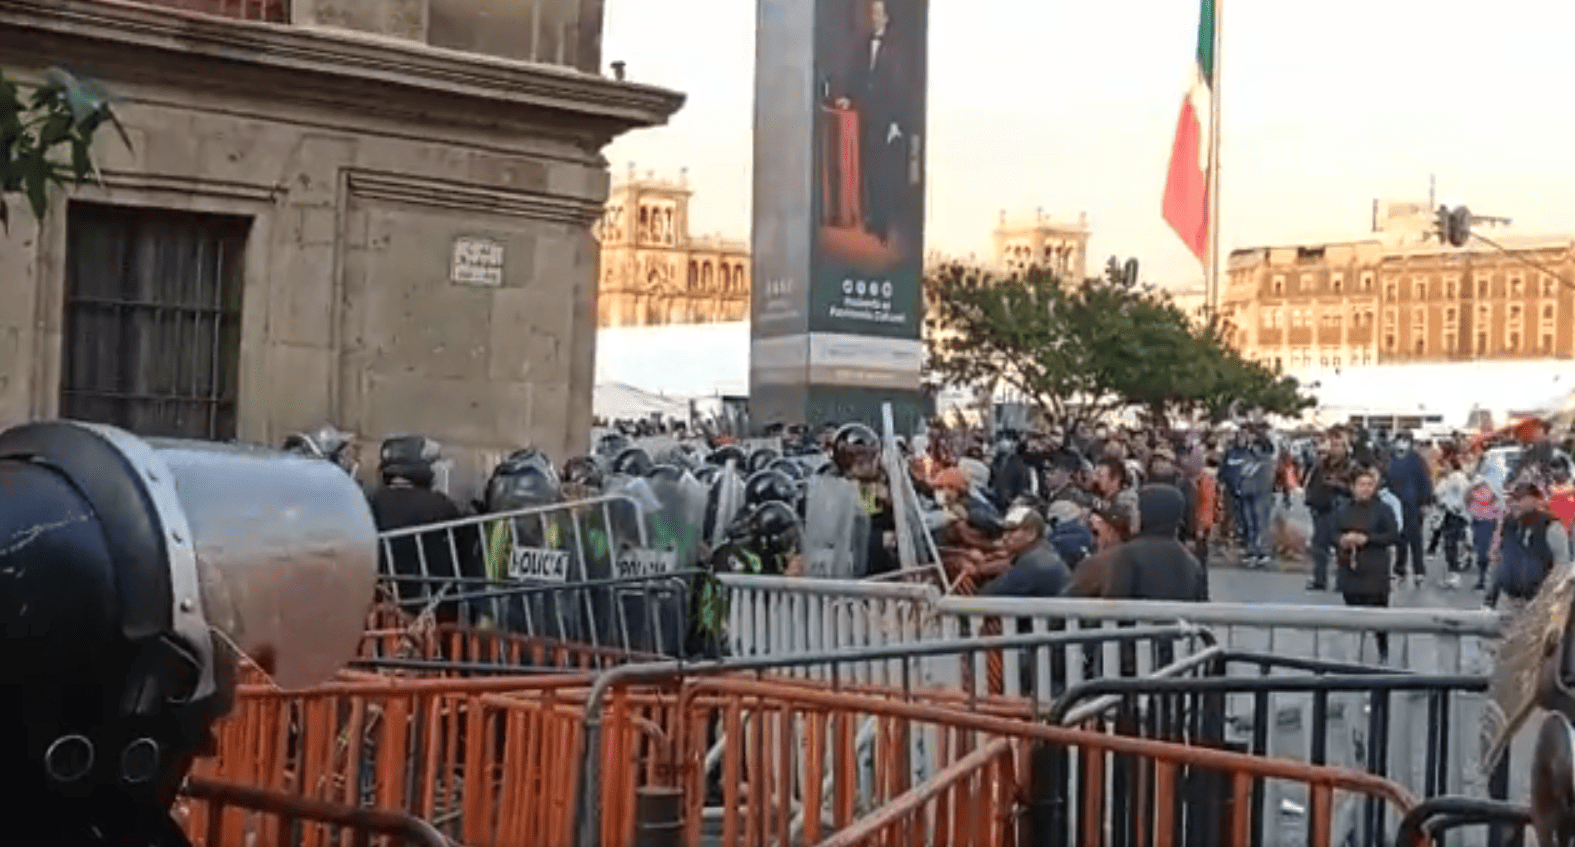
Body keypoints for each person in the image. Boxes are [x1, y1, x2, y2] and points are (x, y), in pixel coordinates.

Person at [834, 0, 909, 244]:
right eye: (873, 13)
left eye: (879, 14)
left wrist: (896, 122)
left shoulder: (897, 49)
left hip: (886, 120)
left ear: (886, 18)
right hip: (865, 116)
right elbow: (854, 75)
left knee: (882, 173)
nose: (875, 18)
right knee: (865, 168)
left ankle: (881, 224)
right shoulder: (863, 45)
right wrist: (846, 97)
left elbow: (900, 87)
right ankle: (868, 218)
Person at [1334, 467, 1401, 662]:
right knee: (1354, 616)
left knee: (1378, 617)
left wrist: (1368, 539)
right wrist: (1343, 539)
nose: (1366, 489)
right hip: (1350, 570)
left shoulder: (1383, 509)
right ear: (1353, 487)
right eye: (1361, 485)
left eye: (1370, 485)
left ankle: (1383, 653)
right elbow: (1331, 533)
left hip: (1375, 572)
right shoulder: (1343, 509)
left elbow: (1393, 535)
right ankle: (1356, 654)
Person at [1101, 484, 1208, 602]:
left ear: (1147, 513)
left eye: (1136, 509)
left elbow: (1115, 604)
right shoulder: (1191, 561)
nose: (1132, 515)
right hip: (1179, 619)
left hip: (1141, 618)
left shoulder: (1128, 555)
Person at [1485, 482, 1572, 616]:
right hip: (1509, 600)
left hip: (1538, 602)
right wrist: (1490, 599)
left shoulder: (1551, 525)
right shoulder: (1510, 523)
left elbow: (1561, 566)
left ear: (1535, 501)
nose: (1515, 504)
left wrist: (1546, 598)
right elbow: (1499, 559)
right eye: (1514, 499)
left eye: (1519, 499)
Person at [977, 505, 1071, 597]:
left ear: (1031, 534)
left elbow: (986, 595)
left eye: (1012, 530)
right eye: (1004, 531)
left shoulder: (1033, 562)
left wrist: (983, 573)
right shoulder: (1044, 551)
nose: (1005, 537)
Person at [1304, 429, 1355, 591]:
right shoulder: (1321, 464)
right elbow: (1313, 482)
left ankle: (1343, 582)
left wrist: (1339, 484)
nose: (1335, 449)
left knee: (1342, 548)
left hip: (1341, 510)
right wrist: (1311, 500)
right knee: (1319, 547)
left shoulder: (1351, 465)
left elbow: (1357, 487)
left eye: (1338, 445)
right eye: (1333, 445)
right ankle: (1319, 579)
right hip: (1321, 509)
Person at [1386, 431, 1434, 589]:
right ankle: (1399, 569)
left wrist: (1425, 501)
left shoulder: (1417, 460)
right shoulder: (1390, 459)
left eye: (1405, 440)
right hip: (1395, 503)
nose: (1402, 443)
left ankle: (1418, 571)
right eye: (1400, 440)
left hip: (1413, 504)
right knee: (1400, 538)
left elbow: (1425, 481)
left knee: (1415, 538)